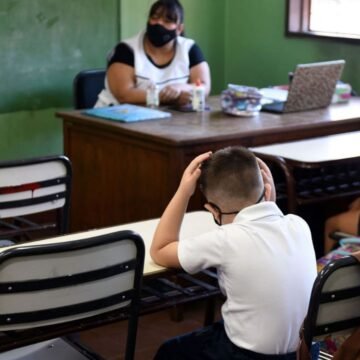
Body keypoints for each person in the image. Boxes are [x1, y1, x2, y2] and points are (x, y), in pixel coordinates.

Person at [150, 146, 317, 360]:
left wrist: (184, 191)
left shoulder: (226, 239)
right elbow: (269, 222)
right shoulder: (299, 225)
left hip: (250, 356)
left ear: (213, 211)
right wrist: (267, 197)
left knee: (169, 351)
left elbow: (160, 249)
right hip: (303, 352)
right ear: (267, 192)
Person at [95, 0, 211, 108]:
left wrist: (181, 88)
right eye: (154, 18)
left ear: (179, 29)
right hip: (112, 118)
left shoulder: (189, 48)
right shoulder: (126, 50)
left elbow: (204, 86)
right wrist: (167, 97)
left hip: (162, 119)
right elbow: (124, 96)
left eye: (167, 21)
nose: (159, 23)